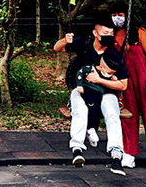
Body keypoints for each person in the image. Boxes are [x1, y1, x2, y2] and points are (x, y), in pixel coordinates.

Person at [54, 15, 128, 169]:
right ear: (95, 33)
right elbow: (57, 48)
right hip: (82, 89)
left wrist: (99, 80)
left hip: (106, 92)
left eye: (110, 34)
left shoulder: (114, 54)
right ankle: (77, 149)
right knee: (80, 110)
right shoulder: (84, 43)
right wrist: (65, 41)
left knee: (112, 113)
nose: (108, 37)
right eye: (104, 34)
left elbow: (123, 85)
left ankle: (116, 153)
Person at [112, 8, 146, 171]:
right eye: (114, 15)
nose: (117, 18)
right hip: (124, 80)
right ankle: (129, 153)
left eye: (120, 15)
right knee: (128, 116)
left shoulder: (140, 32)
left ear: (127, 15)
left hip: (144, 80)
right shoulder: (112, 35)